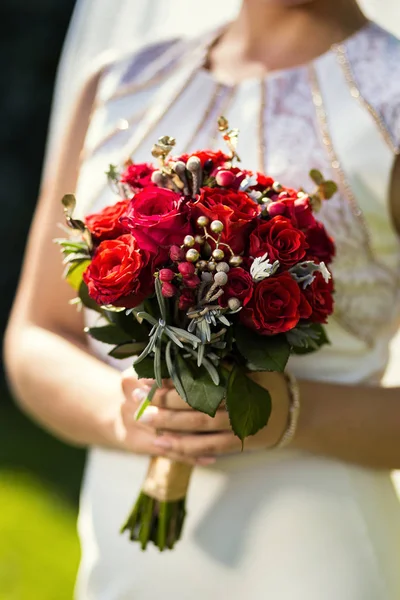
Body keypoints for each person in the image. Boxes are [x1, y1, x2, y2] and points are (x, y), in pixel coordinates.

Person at [4, 0, 400, 597]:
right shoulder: (121, 84)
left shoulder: (389, 101)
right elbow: (37, 334)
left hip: (314, 554)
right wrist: (130, 413)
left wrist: (287, 413)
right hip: (125, 558)